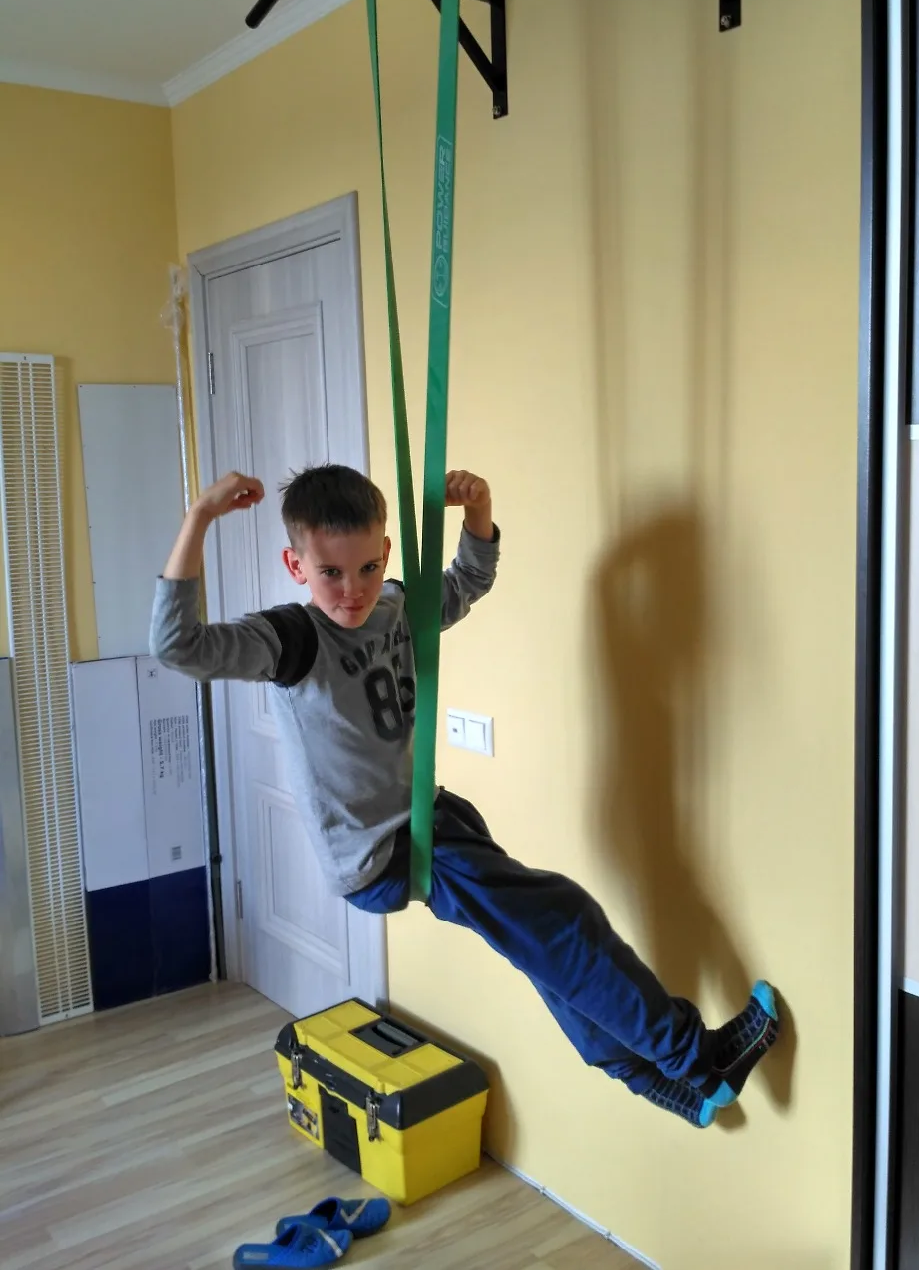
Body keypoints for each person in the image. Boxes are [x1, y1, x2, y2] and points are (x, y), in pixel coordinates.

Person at [150, 464, 779, 1128]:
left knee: (540, 939)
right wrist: (200, 517)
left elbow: (467, 581)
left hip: (431, 818)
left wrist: (478, 510)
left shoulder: (395, 607)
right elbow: (178, 646)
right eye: (330, 572)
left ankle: (657, 1078)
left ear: (385, 551)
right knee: (562, 919)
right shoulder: (291, 640)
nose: (352, 590)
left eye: (367, 567)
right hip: (382, 850)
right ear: (295, 565)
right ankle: (696, 1059)